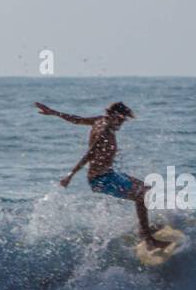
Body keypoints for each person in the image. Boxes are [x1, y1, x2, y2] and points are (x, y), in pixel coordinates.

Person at [35, 100, 170, 249]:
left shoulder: (100, 120)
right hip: (101, 180)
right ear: (112, 115)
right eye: (119, 119)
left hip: (110, 174)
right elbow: (90, 154)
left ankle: (142, 230)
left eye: (123, 120)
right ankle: (149, 240)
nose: (121, 123)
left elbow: (77, 119)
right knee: (141, 196)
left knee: (147, 190)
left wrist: (54, 112)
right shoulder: (104, 131)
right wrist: (70, 175)